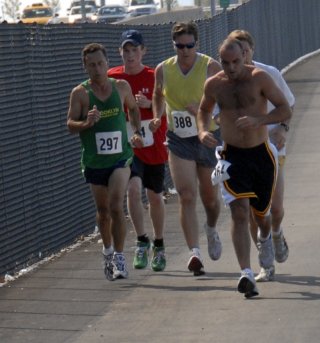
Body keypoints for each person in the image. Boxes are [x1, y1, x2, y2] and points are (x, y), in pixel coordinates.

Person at [197, 38, 292, 297]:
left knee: (262, 215)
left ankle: (265, 237)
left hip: (261, 155)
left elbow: (285, 110)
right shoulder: (215, 83)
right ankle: (246, 273)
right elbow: (203, 110)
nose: (231, 67)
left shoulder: (260, 77)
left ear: (245, 56)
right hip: (231, 156)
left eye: (236, 61)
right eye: (226, 63)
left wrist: (260, 120)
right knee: (239, 211)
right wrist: (203, 131)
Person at [150, 21, 222, 276]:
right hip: (179, 139)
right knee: (186, 195)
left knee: (210, 199)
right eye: (179, 46)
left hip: (208, 137)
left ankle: (211, 229)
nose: (184, 50)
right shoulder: (164, 69)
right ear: (174, 45)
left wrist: (204, 110)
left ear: (197, 44)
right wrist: (158, 115)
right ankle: (195, 253)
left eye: (189, 45)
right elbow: (158, 94)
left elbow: (224, 101)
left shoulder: (210, 66)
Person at [67, 43, 142, 281]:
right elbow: (70, 124)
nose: (97, 69)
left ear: (107, 63)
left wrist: (136, 131)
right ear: (85, 67)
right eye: (92, 65)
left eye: (100, 63)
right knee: (103, 211)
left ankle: (120, 257)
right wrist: (86, 123)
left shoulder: (121, 86)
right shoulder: (80, 93)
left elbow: (133, 108)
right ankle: (108, 251)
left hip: (120, 158)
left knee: (117, 205)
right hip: (94, 161)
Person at [227, 30, 295, 282]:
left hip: (272, 150)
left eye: (244, 51)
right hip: (242, 154)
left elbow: (288, 106)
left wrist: (282, 130)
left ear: (252, 50)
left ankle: (276, 234)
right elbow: (213, 113)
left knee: (275, 209)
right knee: (255, 211)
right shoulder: (224, 81)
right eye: (235, 53)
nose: (240, 57)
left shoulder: (269, 74)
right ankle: (265, 264)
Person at [108, 30, 168, 272]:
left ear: (143, 51)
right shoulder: (113, 78)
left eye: (134, 50)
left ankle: (159, 243)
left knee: (154, 196)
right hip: (128, 146)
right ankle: (142, 240)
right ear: (119, 52)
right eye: (125, 50)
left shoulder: (154, 75)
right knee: (132, 190)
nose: (130, 55)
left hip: (152, 144)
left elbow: (167, 102)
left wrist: (152, 107)